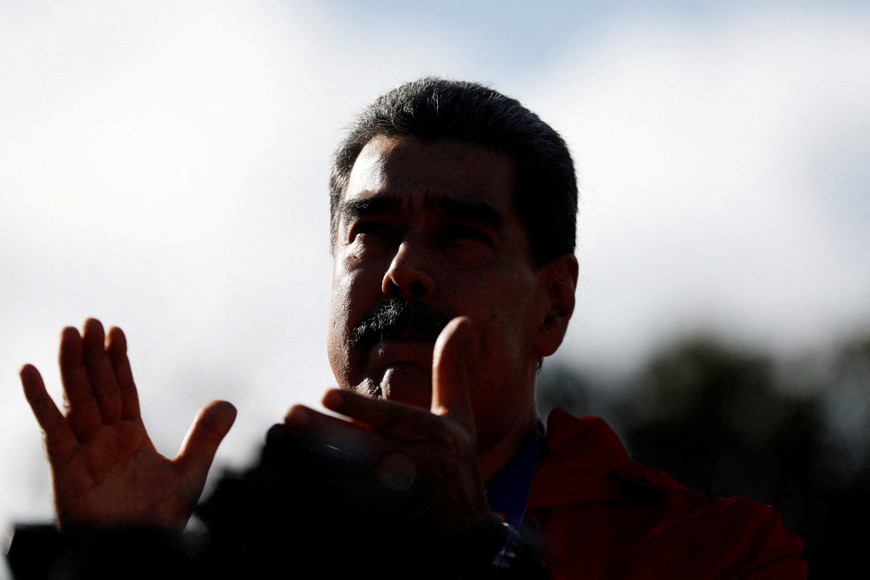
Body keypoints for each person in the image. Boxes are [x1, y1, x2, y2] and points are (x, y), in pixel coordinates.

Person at [7, 77, 807, 579]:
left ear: (553, 306)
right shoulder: (231, 552)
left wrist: (480, 558)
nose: (401, 271)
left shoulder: (715, 551)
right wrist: (119, 563)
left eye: (461, 234)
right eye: (373, 230)